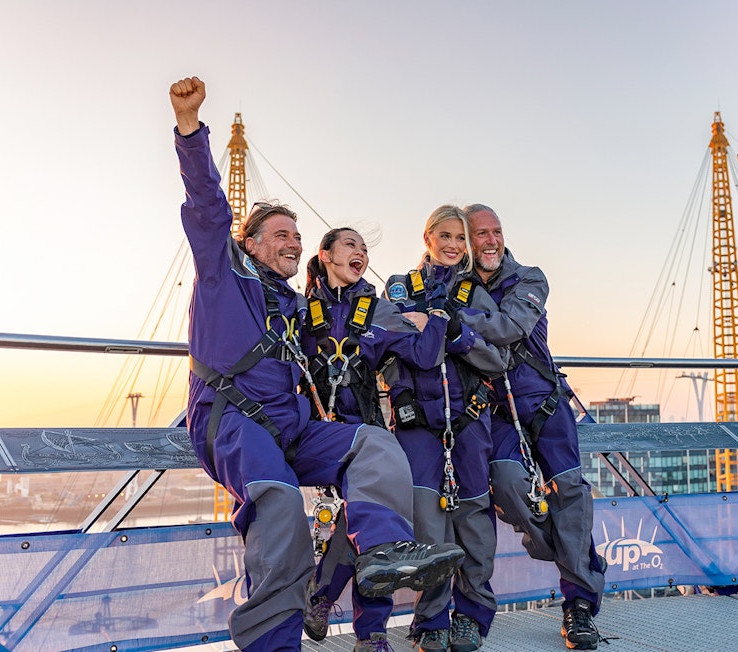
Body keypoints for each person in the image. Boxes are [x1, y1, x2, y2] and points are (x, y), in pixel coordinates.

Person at [169, 76, 464, 652]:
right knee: (279, 507)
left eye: (298, 237)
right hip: (233, 420)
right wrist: (188, 128)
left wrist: (420, 322)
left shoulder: (296, 307)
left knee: (374, 446)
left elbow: (366, 339)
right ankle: (274, 645)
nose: (292, 243)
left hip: (292, 427)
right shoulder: (223, 274)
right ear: (249, 242)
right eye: (281, 234)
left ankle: (382, 553)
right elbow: (207, 206)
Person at [459, 204, 606, 651]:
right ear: (464, 241)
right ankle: (561, 546)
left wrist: (451, 321)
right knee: (504, 483)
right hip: (496, 410)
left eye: (496, 232)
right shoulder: (453, 283)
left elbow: (510, 327)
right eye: (480, 234)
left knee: (570, 496)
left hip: (543, 402)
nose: (491, 241)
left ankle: (579, 605)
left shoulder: (530, 278)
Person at [299, 227, 454, 651]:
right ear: (326, 254)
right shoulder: (299, 309)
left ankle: (365, 630)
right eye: (350, 245)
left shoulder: (380, 310)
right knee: (367, 526)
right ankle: (331, 604)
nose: (361, 252)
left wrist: (435, 319)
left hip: (365, 434)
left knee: (368, 525)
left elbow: (424, 356)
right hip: (317, 433)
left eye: (365, 249)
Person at [383, 205, 508, 652]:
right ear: (427, 237)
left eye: (461, 238)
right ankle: (432, 616)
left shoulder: (476, 294)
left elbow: (499, 359)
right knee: (427, 523)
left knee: (473, 519)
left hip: (469, 419)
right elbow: (388, 353)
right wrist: (400, 400)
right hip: (417, 421)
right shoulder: (400, 288)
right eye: (446, 235)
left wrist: (455, 333)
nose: (454, 245)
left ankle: (471, 615)